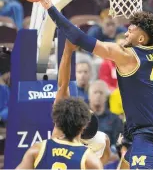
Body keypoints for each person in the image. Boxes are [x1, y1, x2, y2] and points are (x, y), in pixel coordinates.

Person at [31, 0, 153, 169]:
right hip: (145, 132)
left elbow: (79, 37)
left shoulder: (126, 55)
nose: (125, 32)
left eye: (131, 30)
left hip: (150, 135)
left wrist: (49, 6)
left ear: (141, 39)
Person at [16, 41, 105, 169]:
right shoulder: (90, 161)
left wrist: (68, 50)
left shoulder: (37, 150)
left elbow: (63, 85)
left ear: (58, 120)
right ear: (83, 126)